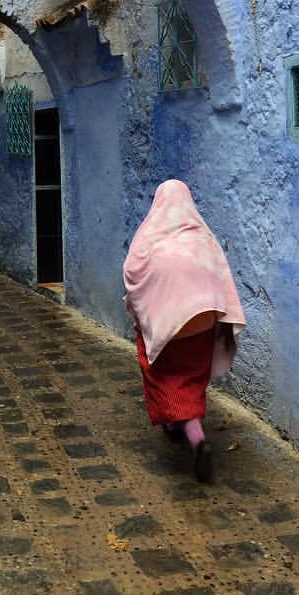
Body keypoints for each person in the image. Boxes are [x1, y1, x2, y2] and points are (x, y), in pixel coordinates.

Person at [123, 180, 246, 482]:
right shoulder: (203, 239)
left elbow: (131, 273)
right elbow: (222, 277)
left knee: (163, 375)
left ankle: (195, 436)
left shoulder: (149, 238)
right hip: (202, 321)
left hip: (167, 325)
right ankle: (182, 425)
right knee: (190, 377)